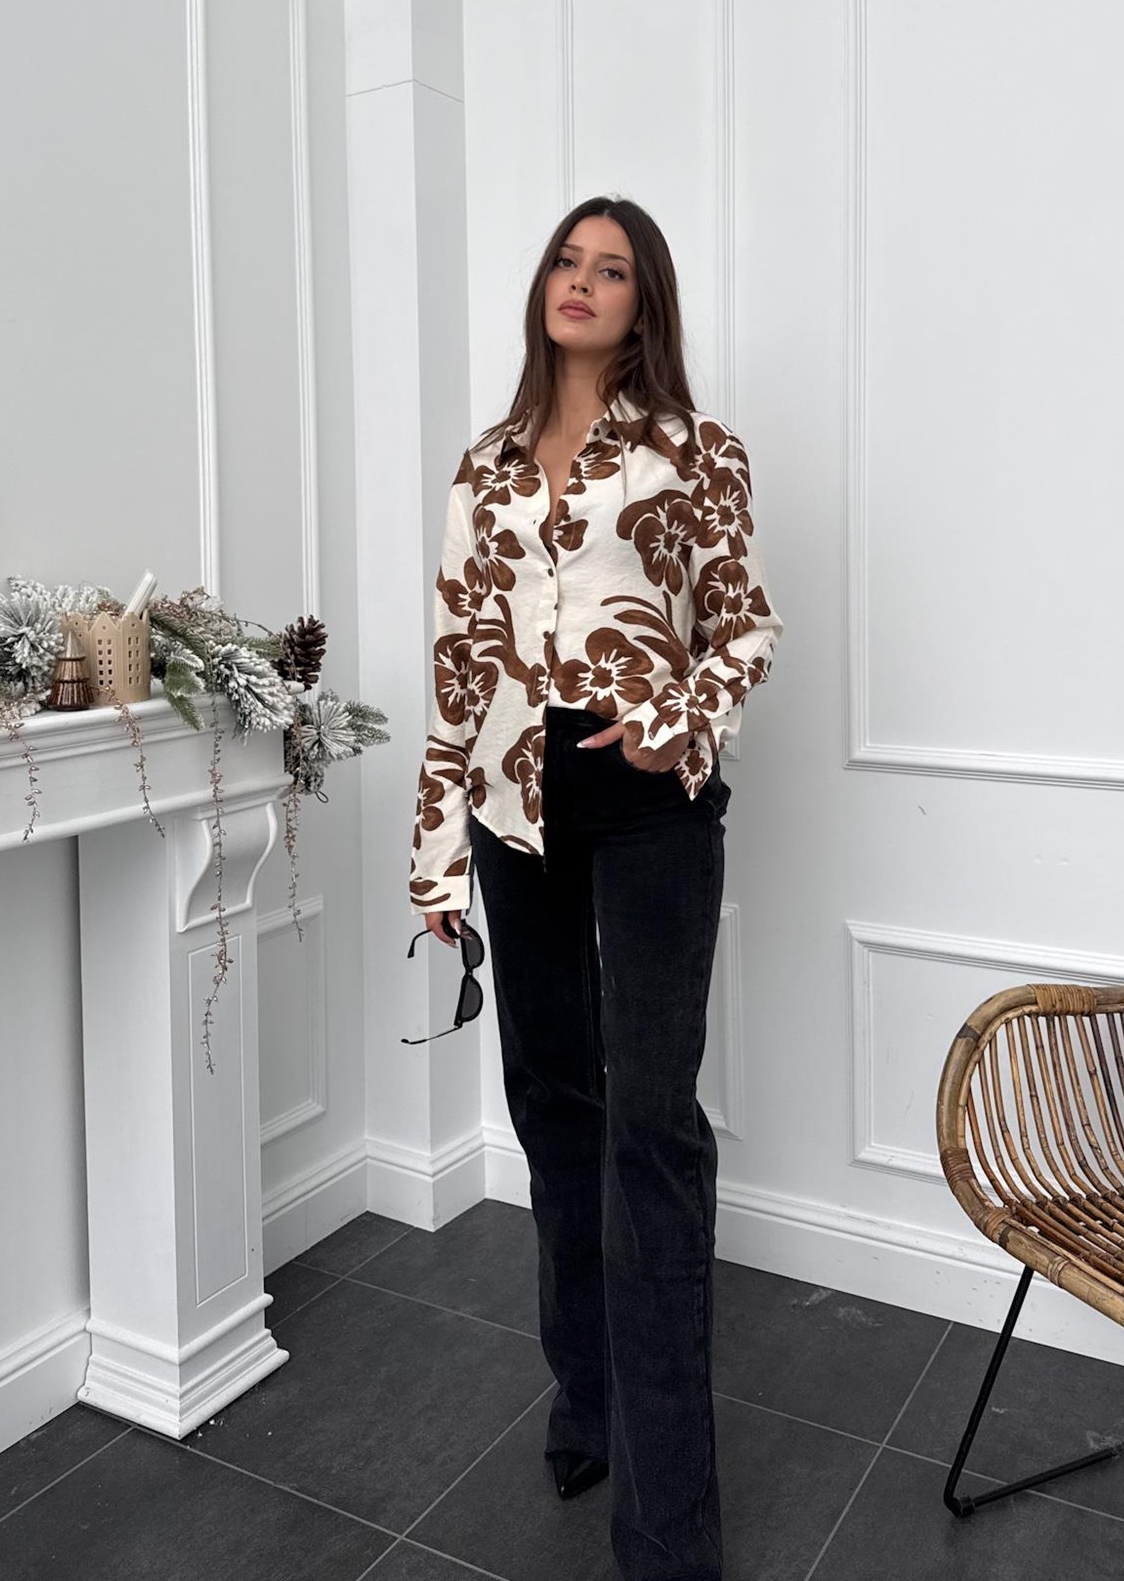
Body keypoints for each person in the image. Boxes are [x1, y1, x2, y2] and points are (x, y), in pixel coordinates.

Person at [407, 194, 784, 1581]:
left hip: (646, 801)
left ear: (643, 301)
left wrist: (679, 717)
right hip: (514, 800)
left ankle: (670, 1527)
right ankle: (587, 1397)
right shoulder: (485, 465)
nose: (581, 282)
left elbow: (746, 629)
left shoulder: (697, 452)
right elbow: (459, 660)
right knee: (553, 1107)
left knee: (650, 1129)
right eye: (567, 261)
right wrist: (437, 846)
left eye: (610, 269)